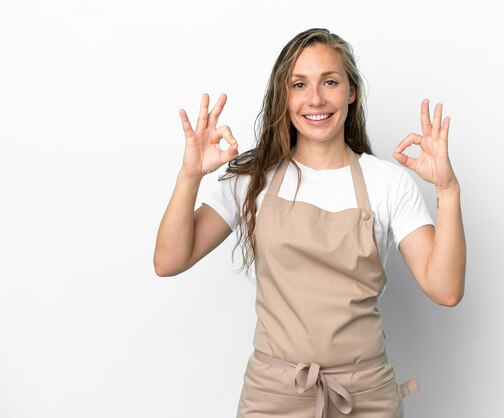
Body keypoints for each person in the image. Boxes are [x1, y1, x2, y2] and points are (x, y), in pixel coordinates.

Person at [154, 28, 466, 418]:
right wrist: (190, 177)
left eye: (330, 82)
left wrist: (448, 189)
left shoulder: (387, 182)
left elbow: (445, 289)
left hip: (365, 397)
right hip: (274, 397)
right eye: (299, 84)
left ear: (351, 91)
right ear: (283, 96)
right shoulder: (254, 179)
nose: (315, 99)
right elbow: (169, 261)